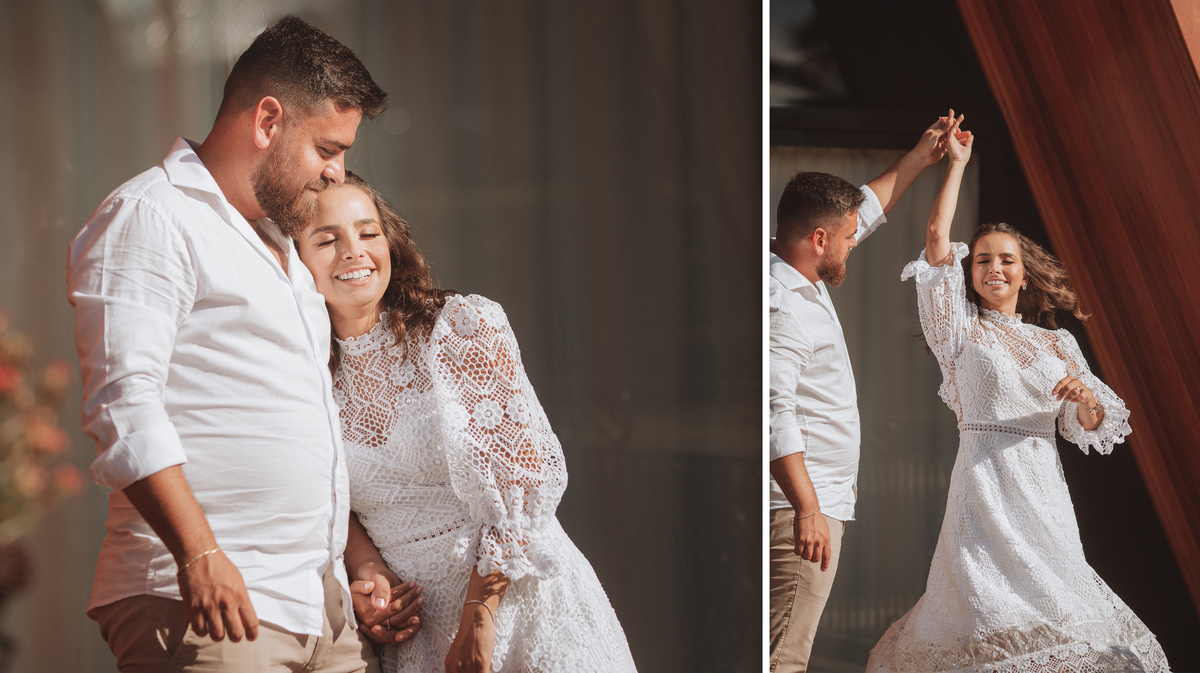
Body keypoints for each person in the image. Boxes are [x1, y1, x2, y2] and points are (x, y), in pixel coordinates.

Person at [67, 16, 420, 672]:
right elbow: (124, 405)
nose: (336, 173)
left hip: (319, 606)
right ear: (267, 121)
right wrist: (200, 552)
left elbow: (303, 431)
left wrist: (356, 566)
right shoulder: (153, 216)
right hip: (208, 600)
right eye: (326, 148)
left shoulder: (285, 244)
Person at [290, 172, 639, 673]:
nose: (353, 252)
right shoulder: (303, 374)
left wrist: (480, 615)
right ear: (294, 262)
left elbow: (520, 487)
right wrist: (367, 571)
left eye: (368, 233)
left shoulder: (459, 328)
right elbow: (329, 496)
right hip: (418, 628)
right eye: (327, 239)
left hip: (517, 607)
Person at [866, 114, 1169, 671]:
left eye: (1007, 260)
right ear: (971, 272)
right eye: (983, 260)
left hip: (1042, 494)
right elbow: (936, 242)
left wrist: (1084, 398)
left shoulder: (1059, 343)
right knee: (983, 618)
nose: (994, 268)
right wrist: (954, 166)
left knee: (1057, 616)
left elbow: (1098, 423)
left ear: (1025, 275)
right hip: (981, 491)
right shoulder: (959, 331)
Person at [768, 116, 963, 672]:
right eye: (848, 238)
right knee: (786, 657)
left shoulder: (798, 272)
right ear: (819, 239)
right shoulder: (780, 305)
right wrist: (809, 510)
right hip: (799, 511)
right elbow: (774, 413)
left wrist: (923, 156)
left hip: (812, 503)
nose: (856, 243)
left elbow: (865, 209)